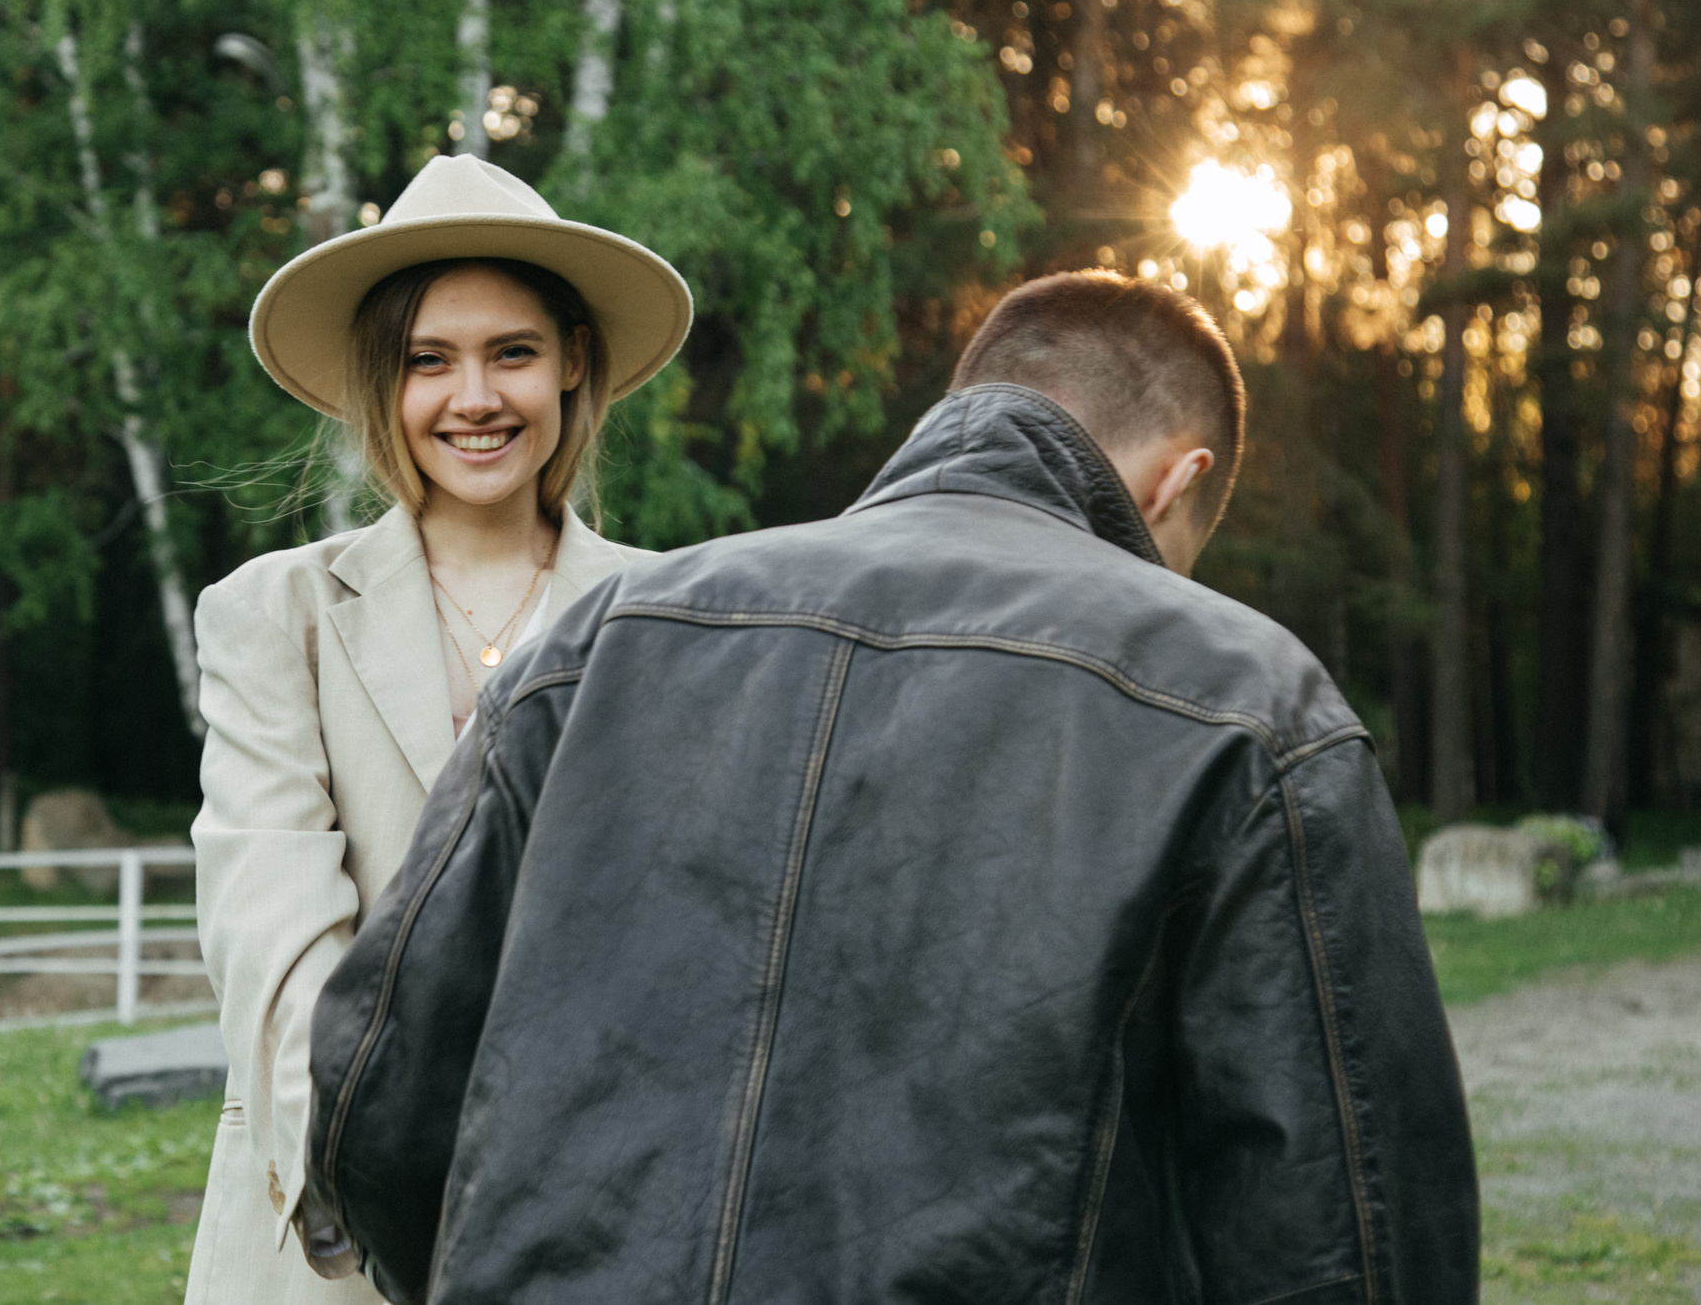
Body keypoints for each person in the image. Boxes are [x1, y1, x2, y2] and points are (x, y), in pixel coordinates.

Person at [307, 270, 1480, 1305]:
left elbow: (379, 1094)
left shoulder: (603, 636)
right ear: (1180, 480)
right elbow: (1344, 1220)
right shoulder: (1247, 696)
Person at [183, 153, 693, 1304]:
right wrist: (390, 1193)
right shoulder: (277, 614)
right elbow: (270, 933)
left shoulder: (679, 613)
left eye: (510, 352)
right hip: (335, 1228)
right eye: (429, 360)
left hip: (602, 1222)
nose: (473, 398)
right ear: (384, 384)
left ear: (570, 363)